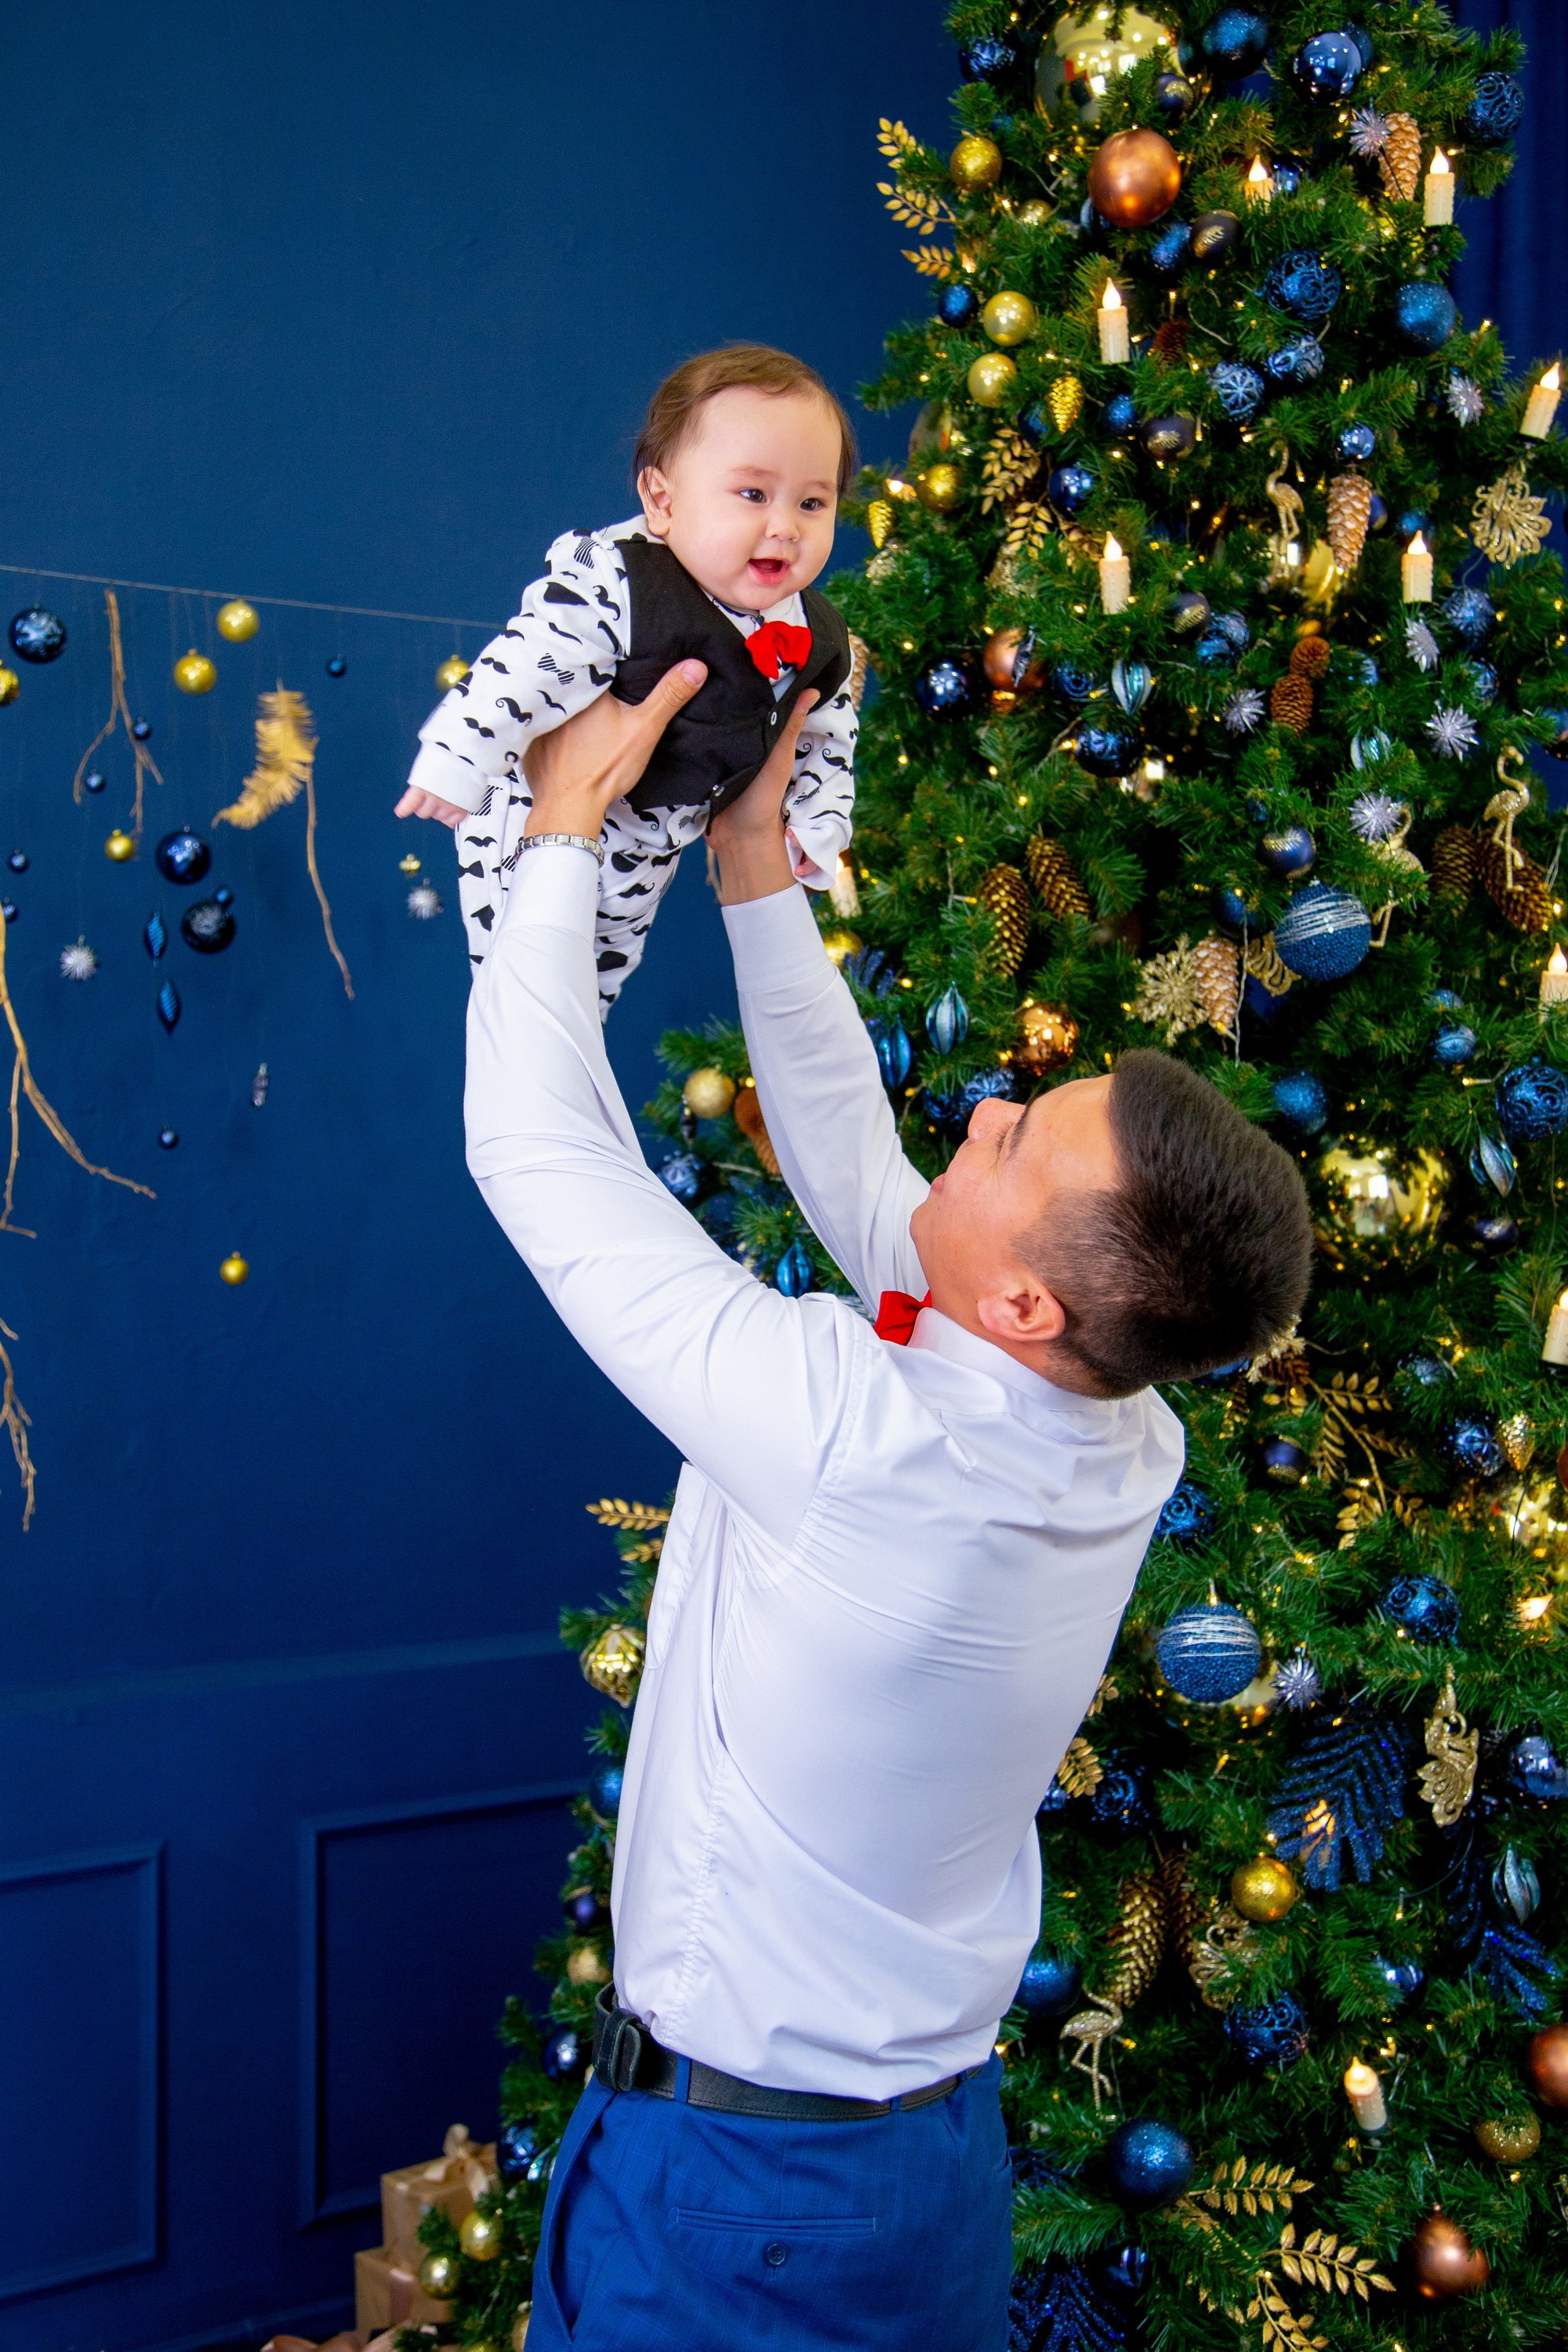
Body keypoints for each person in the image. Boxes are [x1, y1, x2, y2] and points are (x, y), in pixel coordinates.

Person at [463, 666, 1314, 2350]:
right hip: (917, 2170)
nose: (981, 1116)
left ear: (1025, 1312)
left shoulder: (865, 1441)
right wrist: (757, 859)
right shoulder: (1118, 1429)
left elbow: (535, 1152)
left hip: (734, 2209)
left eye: (1012, 1148)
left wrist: (559, 832)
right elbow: (867, 1180)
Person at [396, 343, 860, 1013]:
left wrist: (815, 828)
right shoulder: (618, 579)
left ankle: (577, 1047)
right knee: (522, 983)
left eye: (814, 503)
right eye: (753, 494)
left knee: (598, 986)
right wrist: (457, 756)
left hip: (649, 843)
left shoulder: (818, 637)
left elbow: (824, 739)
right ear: (661, 499)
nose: (785, 527)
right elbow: (525, 663)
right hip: (531, 814)